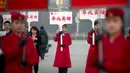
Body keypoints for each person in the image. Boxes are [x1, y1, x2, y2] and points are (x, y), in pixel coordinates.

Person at [85, 8, 130, 73]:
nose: (111, 24)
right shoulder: (103, 42)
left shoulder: (127, 45)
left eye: (115, 21)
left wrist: (105, 65)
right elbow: (91, 62)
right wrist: (97, 45)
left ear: (122, 23)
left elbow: (126, 68)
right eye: (108, 21)